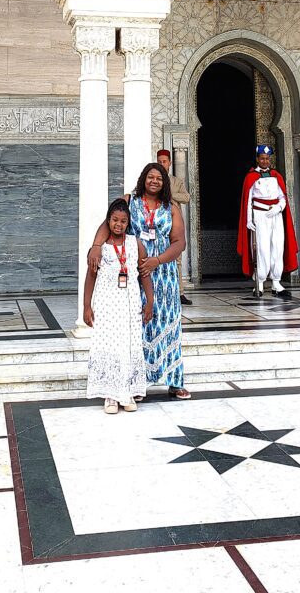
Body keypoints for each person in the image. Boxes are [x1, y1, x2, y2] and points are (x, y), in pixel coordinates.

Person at [88, 162, 190, 399]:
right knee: (138, 326)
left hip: (163, 276)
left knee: (168, 324)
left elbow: (179, 242)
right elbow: (108, 224)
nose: (154, 181)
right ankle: (136, 384)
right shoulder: (129, 201)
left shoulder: (171, 207)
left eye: (159, 178)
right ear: (143, 178)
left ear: (165, 182)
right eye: (150, 177)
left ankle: (175, 381)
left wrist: (158, 260)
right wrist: (95, 246)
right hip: (134, 274)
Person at [84, 198, 154, 414]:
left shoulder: (135, 244)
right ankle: (110, 396)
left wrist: (149, 301)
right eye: (114, 220)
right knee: (109, 347)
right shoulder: (100, 249)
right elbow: (90, 277)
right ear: (108, 221)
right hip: (107, 304)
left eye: (123, 221)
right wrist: (87, 306)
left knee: (129, 346)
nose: (118, 224)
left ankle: (128, 392)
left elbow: (144, 275)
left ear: (128, 223)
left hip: (130, 304)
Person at [236, 144, 298, 298]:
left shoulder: (277, 176)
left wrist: (279, 208)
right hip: (259, 216)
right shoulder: (251, 177)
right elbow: (248, 200)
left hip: (275, 216)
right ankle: (260, 282)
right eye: (262, 158)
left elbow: (282, 197)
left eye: (267, 159)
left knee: (277, 247)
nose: (265, 161)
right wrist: (249, 220)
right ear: (257, 159)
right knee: (262, 249)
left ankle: (276, 282)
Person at [156, 148, 192, 306]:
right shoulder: (154, 179)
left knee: (177, 259)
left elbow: (186, 197)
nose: (162, 164)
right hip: (158, 225)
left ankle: (180, 293)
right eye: (159, 162)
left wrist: (170, 196)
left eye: (164, 161)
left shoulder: (176, 181)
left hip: (174, 225)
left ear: (170, 163)